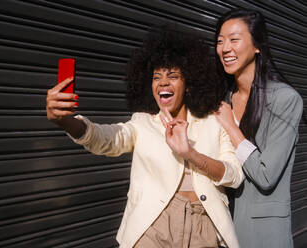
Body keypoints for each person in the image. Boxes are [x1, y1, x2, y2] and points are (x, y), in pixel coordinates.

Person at [46, 26, 244, 248]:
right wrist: (65, 121)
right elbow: (106, 139)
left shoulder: (214, 121)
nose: (163, 83)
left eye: (173, 76)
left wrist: (190, 153)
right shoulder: (142, 122)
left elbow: (235, 175)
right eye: (156, 77)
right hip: (153, 225)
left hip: (203, 226)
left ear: (188, 84)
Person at [214, 9, 303, 248]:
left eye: (234, 39)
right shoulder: (223, 100)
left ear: (257, 46)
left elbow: (266, 175)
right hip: (223, 228)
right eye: (220, 41)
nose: (224, 48)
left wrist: (232, 128)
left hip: (263, 233)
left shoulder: (285, 100)